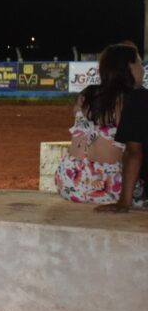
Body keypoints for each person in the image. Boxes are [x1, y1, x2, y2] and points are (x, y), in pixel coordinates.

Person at [56, 42, 146, 206]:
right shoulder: (134, 99)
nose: (143, 68)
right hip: (108, 186)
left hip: (69, 180)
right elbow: (134, 153)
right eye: (139, 63)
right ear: (128, 67)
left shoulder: (87, 94)